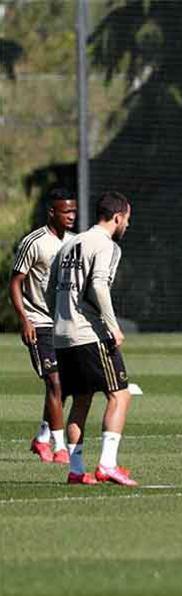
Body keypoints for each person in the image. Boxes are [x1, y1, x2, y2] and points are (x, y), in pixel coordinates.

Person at [48, 191, 137, 486]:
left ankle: (75, 470)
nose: (127, 225)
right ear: (117, 217)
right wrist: (112, 326)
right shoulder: (106, 245)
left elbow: (50, 289)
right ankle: (107, 465)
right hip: (89, 333)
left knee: (81, 400)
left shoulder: (70, 243)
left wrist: (61, 319)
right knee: (119, 395)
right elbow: (98, 285)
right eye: (127, 219)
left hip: (62, 335)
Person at [8, 187, 76, 464]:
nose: (71, 216)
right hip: (39, 322)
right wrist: (24, 319)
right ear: (52, 212)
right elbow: (15, 282)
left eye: (74, 210)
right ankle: (60, 448)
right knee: (55, 383)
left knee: (64, 387)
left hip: (66, 324)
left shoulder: (73, 242)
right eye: (66, 211)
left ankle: (42, 438)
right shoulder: (34, 242)